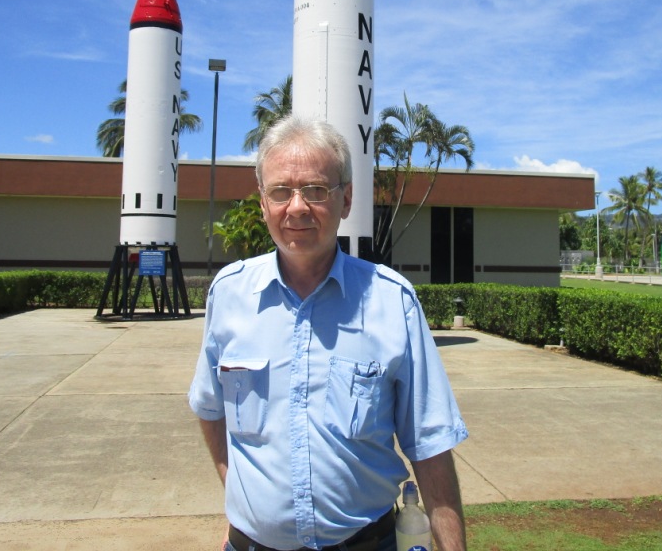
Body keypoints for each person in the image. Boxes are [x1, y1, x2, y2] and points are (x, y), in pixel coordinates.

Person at [189, 116, 468, 551]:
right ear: (263, 202)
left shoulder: (391, 301)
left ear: (347, 200)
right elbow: (210, 409)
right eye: (281, 191)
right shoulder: (229, 294)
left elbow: (430, 444)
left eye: (316, 190)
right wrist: (242, 497)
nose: (297, 207)